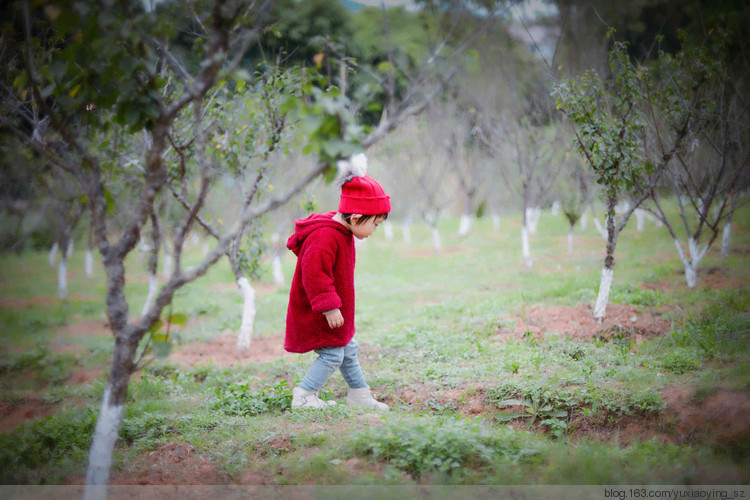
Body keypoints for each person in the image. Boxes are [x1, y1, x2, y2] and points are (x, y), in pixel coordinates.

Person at [284, 153, 390, 410]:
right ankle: (304, 395)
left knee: (347, 348)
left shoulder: (342, 232)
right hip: (322, 313)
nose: (374, 230)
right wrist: (330, 306)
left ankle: (359, 396)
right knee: (333, 354)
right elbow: (315, 274)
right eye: (374, 224)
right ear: (355, 218)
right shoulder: (325, 238)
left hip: (335, 312)